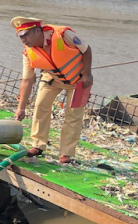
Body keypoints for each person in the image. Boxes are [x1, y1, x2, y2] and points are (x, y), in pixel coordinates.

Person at [12, 16, 93, 165]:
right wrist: (21, 107)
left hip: (78, 81)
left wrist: (87, 74)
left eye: (25, 35)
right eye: (20, 36)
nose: (23, 40)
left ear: (37, 31)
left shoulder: (63, 35)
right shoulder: (28, 52)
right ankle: (38, 145)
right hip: (52, 79)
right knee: (40, 106)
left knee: (73, 115)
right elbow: (27, 80)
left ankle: (66, 153)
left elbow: (86, 49)